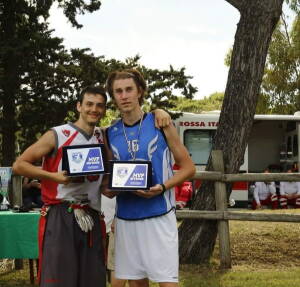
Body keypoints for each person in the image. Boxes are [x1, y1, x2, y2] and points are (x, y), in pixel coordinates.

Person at [13, 85, 171, 287]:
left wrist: (123, 185)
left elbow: (106, 186)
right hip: (61, 214)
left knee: (93, 278)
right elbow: (19, 165)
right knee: (60, 279)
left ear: (104, 110)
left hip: (93, 214)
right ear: (79, 106)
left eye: (99, 106)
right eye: (89, 104)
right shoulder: (58, 134)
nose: (93, 109)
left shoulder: (102, 136)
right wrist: (53, 176)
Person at [105, 69, 196, 287]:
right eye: (118, 91)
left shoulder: (160, 123)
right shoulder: (110, 133)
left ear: (140, 92)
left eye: (129, 89)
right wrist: (112, 188)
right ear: (113, 96)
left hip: (159, 215)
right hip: (127, 218)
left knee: (167, 283)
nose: (124, 95)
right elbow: (110, 181)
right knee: (137, 284)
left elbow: (188, 168)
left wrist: (162, 187)